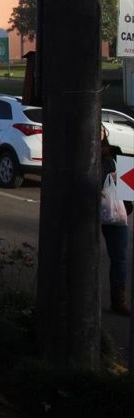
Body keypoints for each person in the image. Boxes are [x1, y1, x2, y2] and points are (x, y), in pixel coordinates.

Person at [101, 125, 133, 315]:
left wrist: (125, 208)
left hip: (115, 214)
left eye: (101, 128)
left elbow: (130, 189)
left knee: (120, 257)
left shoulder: (116, 153)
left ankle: (119, 300)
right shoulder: (77, 153)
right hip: (87, 212)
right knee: (83, 256)